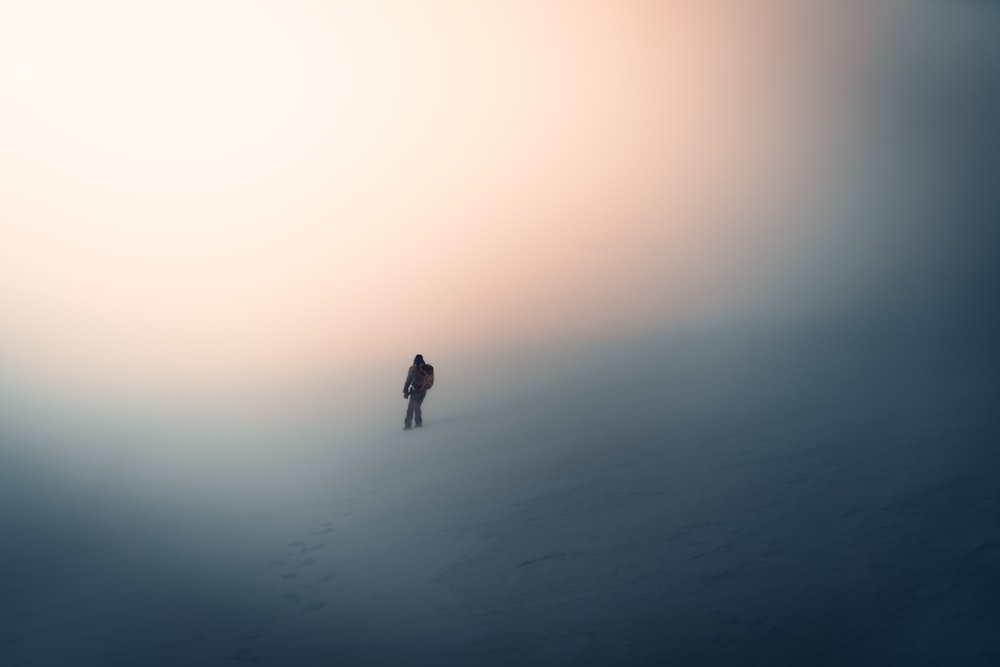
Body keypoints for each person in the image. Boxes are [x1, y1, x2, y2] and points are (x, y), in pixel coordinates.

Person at [402, 354, 434, 430]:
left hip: (416, 389)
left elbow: (408, 380)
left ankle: (408, 425)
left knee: (411, 407)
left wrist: (405, 392)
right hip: (423, 390)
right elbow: (430, 382)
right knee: (417, 406)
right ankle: (418, 423)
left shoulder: (413, 368)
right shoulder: (427, 368)